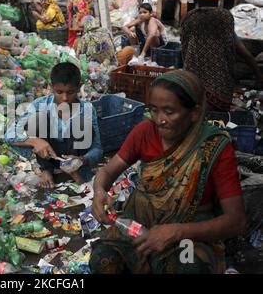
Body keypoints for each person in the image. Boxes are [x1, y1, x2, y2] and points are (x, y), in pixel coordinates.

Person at [90, 69, 246, 274]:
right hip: (138, 225)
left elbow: (236, 221)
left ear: (194, 113)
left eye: (169, 111)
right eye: (154, 110)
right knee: (104, 261)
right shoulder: (145, 132)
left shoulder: (213, 147)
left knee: (188, 267)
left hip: (188, 232)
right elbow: (107, 172)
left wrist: (175, 232)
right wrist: (99, 192)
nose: (159, 119)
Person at [5, 62, 103, 188]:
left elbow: (98, 148)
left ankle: (76, 172)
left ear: (79, 88)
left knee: (82, 124)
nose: (65, 98)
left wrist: (82, 160)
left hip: (76, 158)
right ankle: (46, 169)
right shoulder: (40, 105)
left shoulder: (87, 109)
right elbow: (9, 135)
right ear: (51, 87)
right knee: (37, 120)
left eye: (70, 92)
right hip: (48, 157)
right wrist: (34, 141)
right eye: (59, 92)